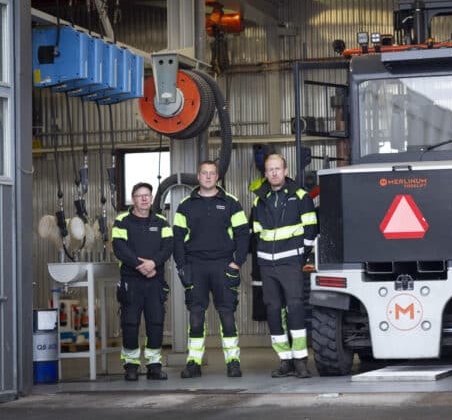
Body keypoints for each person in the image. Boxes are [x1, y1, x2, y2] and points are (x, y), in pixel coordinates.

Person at [173, 160, 249, 378]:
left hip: (223, 265)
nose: (208, 176)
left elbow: (243, 234)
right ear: (198, 177)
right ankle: (194, 362)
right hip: (195, 266)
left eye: (212, 173)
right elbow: (177, 238)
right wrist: (182, 266)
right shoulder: (186, 205)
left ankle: (233, 361)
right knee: (196, 317)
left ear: (217, 177)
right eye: (204, 173)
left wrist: (237, 262)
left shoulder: (231, 202)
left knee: (227, 316)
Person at [251, 154, 318, 378]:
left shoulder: (300, 196)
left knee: (295, 308)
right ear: (265, 174)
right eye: (270, 170)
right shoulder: (259, 200)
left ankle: (300, 360)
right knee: (273, 311)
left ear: (285, 170)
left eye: (277, 169)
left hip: (291, 262)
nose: (274, 173)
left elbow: (310, 228)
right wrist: (263, 256)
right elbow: (257, 231)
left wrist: (299, 256)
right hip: (267, 265)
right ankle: (285, 360)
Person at [111, 182, 173, 381]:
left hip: (155, 281)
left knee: (156, 322)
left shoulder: (162, 222)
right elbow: (119, 248)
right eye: (140, 195)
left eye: (147, 195)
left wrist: (153, 263)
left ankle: (154, 365)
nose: (144, 199)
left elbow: (168, 247)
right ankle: (131, 366)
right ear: (133, 199)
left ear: (152, 198)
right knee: (130, 323)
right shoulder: (122, 221)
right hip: (131, 281)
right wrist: (140, 265)